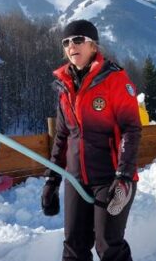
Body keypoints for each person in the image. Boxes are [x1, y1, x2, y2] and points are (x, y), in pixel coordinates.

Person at [41, 19, 142, 261]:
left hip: (111, 177)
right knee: (74, 247)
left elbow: (131, 129)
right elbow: (63, 136)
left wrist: (124, 178)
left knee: (108, 246)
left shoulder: (114, 79)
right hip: (76, 180)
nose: (71, 46)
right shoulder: (65, 86)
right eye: (66, 42)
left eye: (78, 40)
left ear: (93, 46)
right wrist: (52, 180)